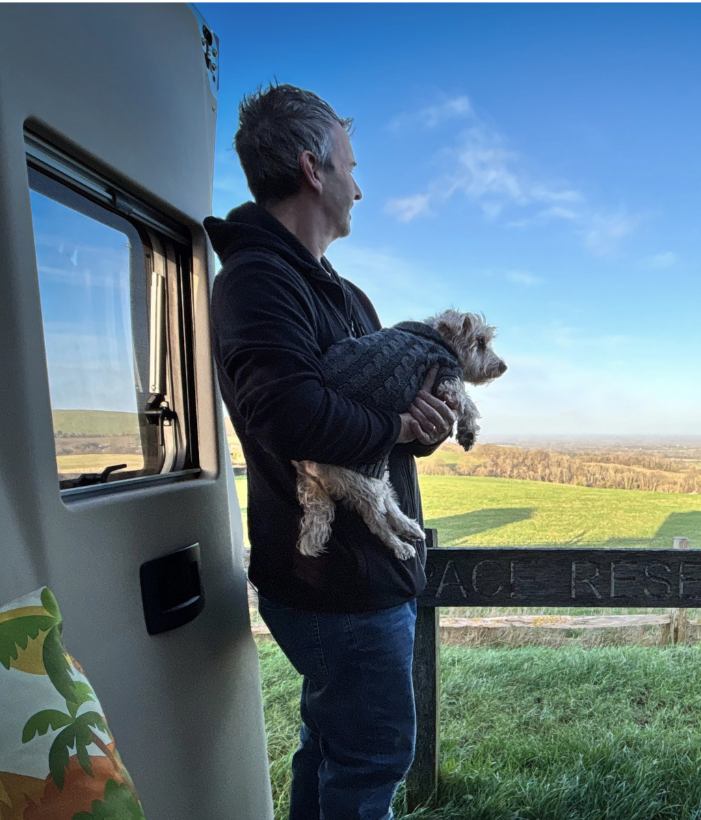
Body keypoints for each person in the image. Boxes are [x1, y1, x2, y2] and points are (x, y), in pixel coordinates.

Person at [205, 84, 456, 820]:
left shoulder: (346, 296)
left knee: (331, 749)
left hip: (364, 571)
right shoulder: (256, 282)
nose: (360, 185)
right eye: (350, 165)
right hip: (335, 582)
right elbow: (288, 413)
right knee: (373, 759)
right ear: (314, 169)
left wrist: (428, 426)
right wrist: (402, 430)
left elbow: (384, 419)